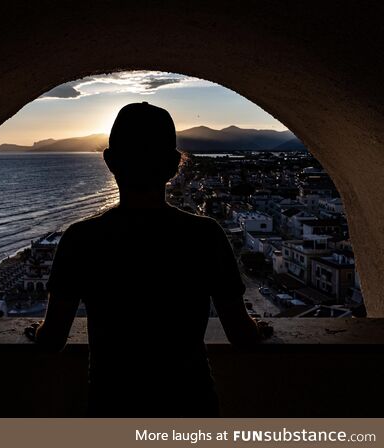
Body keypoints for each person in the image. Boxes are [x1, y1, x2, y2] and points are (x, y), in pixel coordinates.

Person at [24, 102, 272, 417]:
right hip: (191, 406)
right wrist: (261, 329)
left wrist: (36, 331)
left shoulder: (81, 239)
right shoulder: (205, 236)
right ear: (173, 166)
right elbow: (242, 336)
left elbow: (53, 339)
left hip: (112, 407)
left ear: (110, 162)